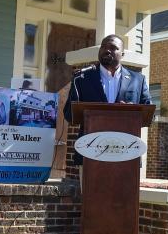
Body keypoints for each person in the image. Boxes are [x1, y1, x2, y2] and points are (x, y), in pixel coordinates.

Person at [63, 34, 151, 165]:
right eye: (103, 46)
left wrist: (132, 111)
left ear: (122, 54)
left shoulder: (138, 79)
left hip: (125, 151)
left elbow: (150, 115)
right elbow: (69, 115)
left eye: (113, 47)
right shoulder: (83, 78)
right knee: (90, 187)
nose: (107, 50)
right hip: (90, 151)